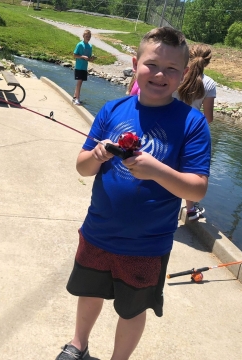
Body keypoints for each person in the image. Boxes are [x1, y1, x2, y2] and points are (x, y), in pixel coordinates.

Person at [56, 27, 211, 360]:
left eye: (171, 69)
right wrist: (97, 155)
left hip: (147, 244)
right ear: (135, 62)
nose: (160, 74)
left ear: (184, 74)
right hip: (98, 231)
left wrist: (156, 170)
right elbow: (82, 167)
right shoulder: (112, 110)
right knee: (89, 291)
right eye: (152, 64)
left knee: (132, 309)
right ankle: (78, 344)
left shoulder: (193, 123)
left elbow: (197, 189)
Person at [173, 43, 216, 221]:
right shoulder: (209, 84)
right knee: (190, 171)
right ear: (207, 62)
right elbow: (209, 117)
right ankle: (190, 210)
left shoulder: (177, 75)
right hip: (191, 131)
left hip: (169, 125)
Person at [72, 30, 95, 106]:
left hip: (84, 67)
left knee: (80, 83)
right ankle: (77, 99)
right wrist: (82, 57)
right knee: (79, 82)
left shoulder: (90, 46)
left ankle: (75, 97)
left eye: (89, 36)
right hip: (79, 67)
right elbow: (74, 55)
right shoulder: (80, 45)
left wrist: (91, 59)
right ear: (83, 36)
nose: (88, 38)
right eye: (86, 36)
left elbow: (89, 58)